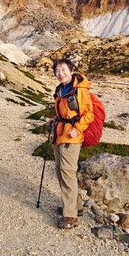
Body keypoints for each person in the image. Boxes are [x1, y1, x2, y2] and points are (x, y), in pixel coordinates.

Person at [49, 59, 94, 229]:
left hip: (71, 136)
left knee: (67, 172)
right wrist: (56, 119)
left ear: (71, 70)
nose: (60, 73)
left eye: (63, 69)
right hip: (60, 133)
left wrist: (78, 128)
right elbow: (64, 110)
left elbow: (88, 114)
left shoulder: (79, 89)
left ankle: (70, 215)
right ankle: (77, 206)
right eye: (57, 71)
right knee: (61, 172)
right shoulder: (61, 89)